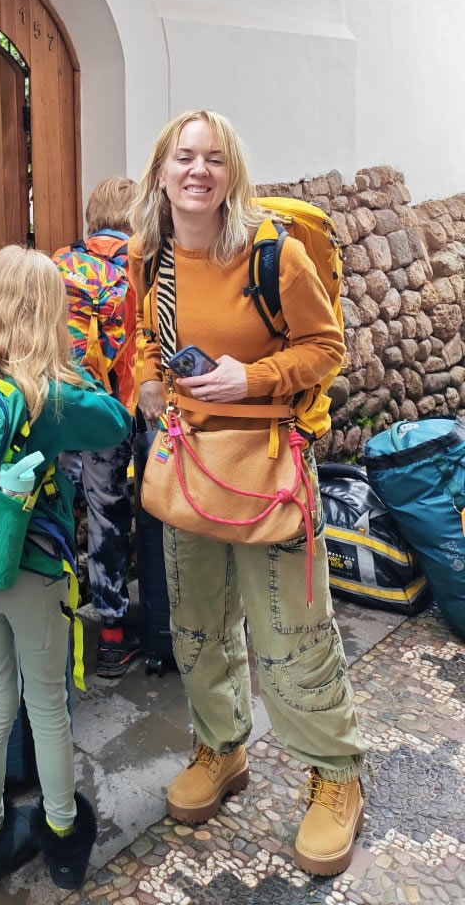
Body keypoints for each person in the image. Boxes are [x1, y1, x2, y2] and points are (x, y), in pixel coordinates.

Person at [128, 109, 366, 878]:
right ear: (162, 171)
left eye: (214, 159)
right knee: (197, 631)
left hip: (268, 468)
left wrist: (249, 377)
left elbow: (326, 347)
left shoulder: (276, 256)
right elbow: (141, 340)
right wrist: (144, 385)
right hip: (190, 464)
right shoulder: (151, 256)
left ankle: (336, 777)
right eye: (184, 158)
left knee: (292, 638)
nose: (198, 171)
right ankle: (221, 749)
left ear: (232, 174)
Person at [0, 246, 131, 891]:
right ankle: (61, 834)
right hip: (30, 571)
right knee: (47, 704)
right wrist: (73, 358)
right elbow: (115, 421)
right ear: (51, 311)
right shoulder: (47, 392)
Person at [55, 177, 140, 678]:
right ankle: (110, 637)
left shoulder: (56, 263)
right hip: (107, 413)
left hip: (59, 406)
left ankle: (51, 618)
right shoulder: (136, 270)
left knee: (56, 504)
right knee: (109, 516)